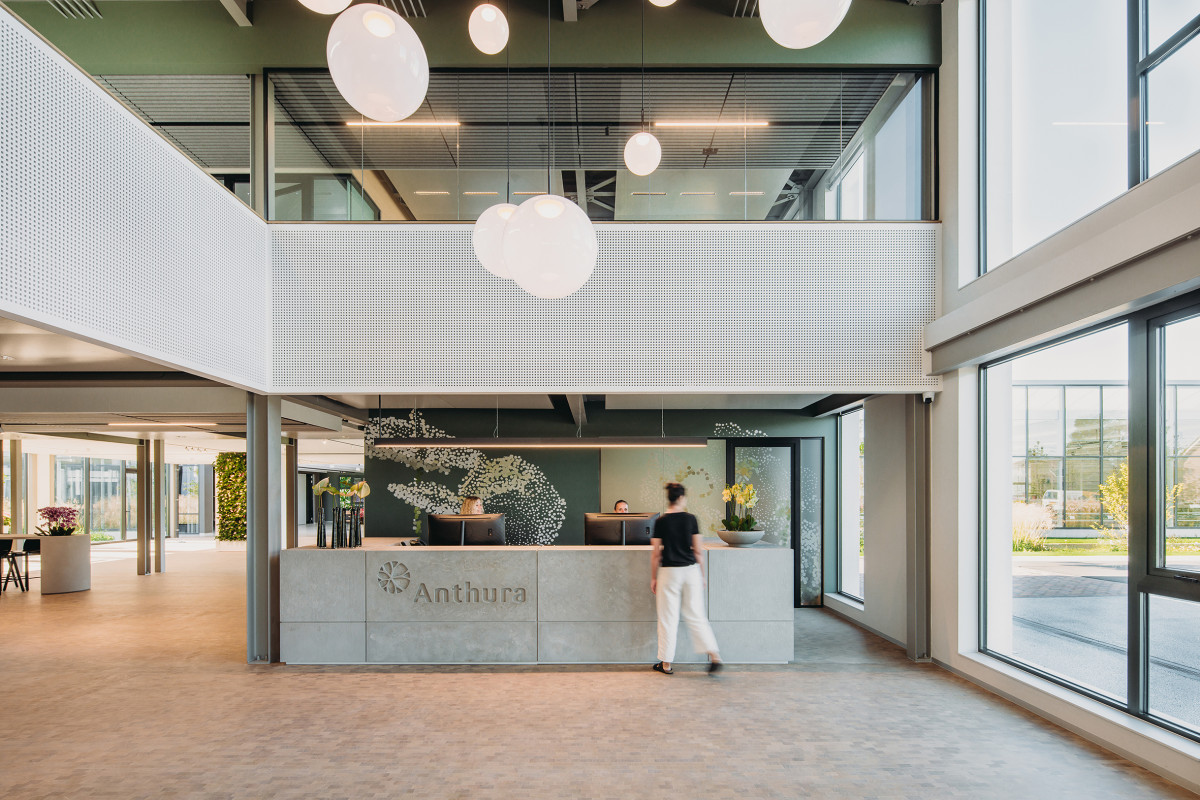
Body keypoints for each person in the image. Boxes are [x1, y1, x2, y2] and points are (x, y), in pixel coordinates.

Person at [650, 482, 721, 675]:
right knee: (696, 614)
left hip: (669, 572)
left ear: (669, 498)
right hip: (691, 571)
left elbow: (656, 554)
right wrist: (702, 575)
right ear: (681, 498)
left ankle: (666, 664)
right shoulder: (691, 519)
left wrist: (653, 578)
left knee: (667, 618)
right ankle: (714, 655)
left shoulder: (660, 521)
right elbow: (698, 551)